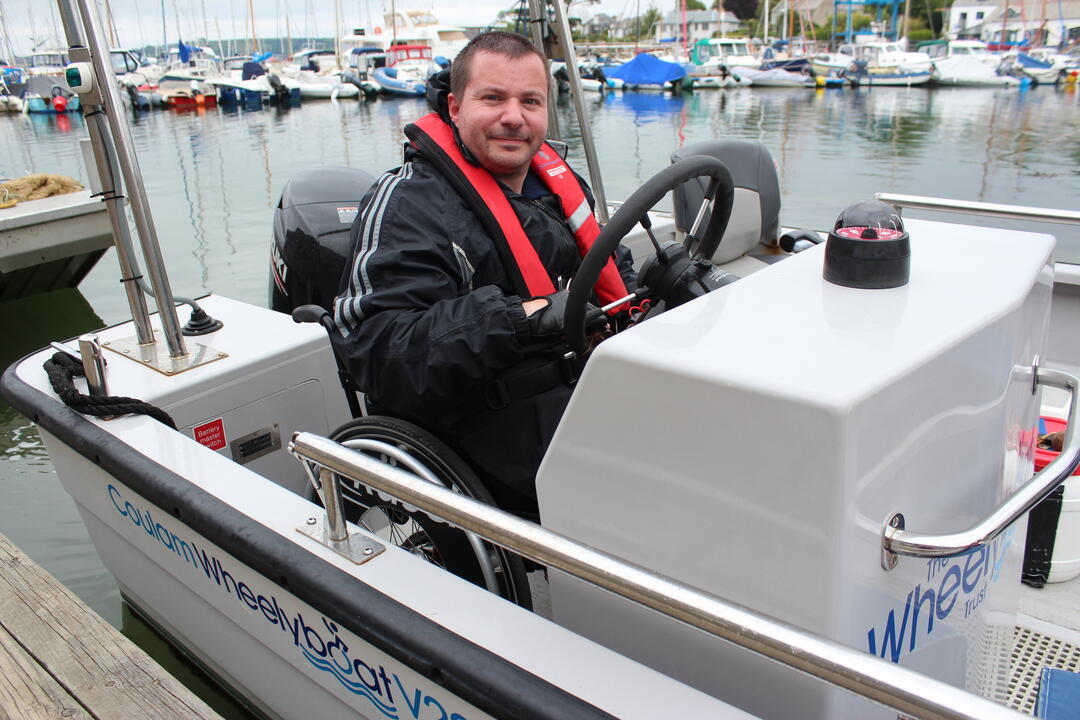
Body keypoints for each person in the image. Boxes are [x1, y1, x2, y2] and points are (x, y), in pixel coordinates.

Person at [332, 32, 635, 516]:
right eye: (492, 98)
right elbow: (380, 350)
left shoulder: (558, 186)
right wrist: (522, 317)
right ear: (454, 106)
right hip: (482, 426)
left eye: (529, 101)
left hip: (582, 388)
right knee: (652, 480)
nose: (513, 116)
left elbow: (610, 267)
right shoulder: (408, 205)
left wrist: (649, 288)